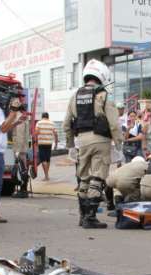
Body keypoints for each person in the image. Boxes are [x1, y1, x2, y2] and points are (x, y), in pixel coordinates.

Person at [63, 59, 123, 229]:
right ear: (102, 75)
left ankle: (82, 216)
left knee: (83, 178)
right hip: (100, 140)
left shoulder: (74, 96)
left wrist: (70, 146)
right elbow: (114, 124)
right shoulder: (103, 95)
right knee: (98, 177)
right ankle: (90, 218)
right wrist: (118, 145)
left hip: (81, 140)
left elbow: (66, 123)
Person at [11, 106, 31, 198]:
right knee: (23, 168)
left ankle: (22, 190)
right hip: (23, 147)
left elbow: (19, 134)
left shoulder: (19, 117)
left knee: (21, 169)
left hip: (19, 147)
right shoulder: (25, 116)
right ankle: (23, 189)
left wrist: (17, 151)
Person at [35, 112, 58, 181]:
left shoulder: (39, 123)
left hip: (41, 143)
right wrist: (56, 143)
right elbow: (55, 134)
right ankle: (46, 175)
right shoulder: (52, 123)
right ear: (48, 117)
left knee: (43, 160)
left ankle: (46, 176)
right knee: (48, 159)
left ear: (42, 117)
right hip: (49, 144)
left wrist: (35, 142)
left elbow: (36, 133)